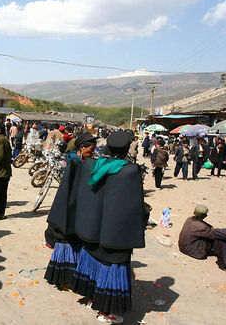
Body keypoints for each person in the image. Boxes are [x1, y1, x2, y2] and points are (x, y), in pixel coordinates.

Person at [45, 130, 146, 323]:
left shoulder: (93, 165)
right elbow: (133, 206)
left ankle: (91, 297)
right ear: (127, 150)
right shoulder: (130, 171)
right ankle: (108, 310)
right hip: (114, 233)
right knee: (112, 265)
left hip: (90, 229)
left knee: (94, 259)